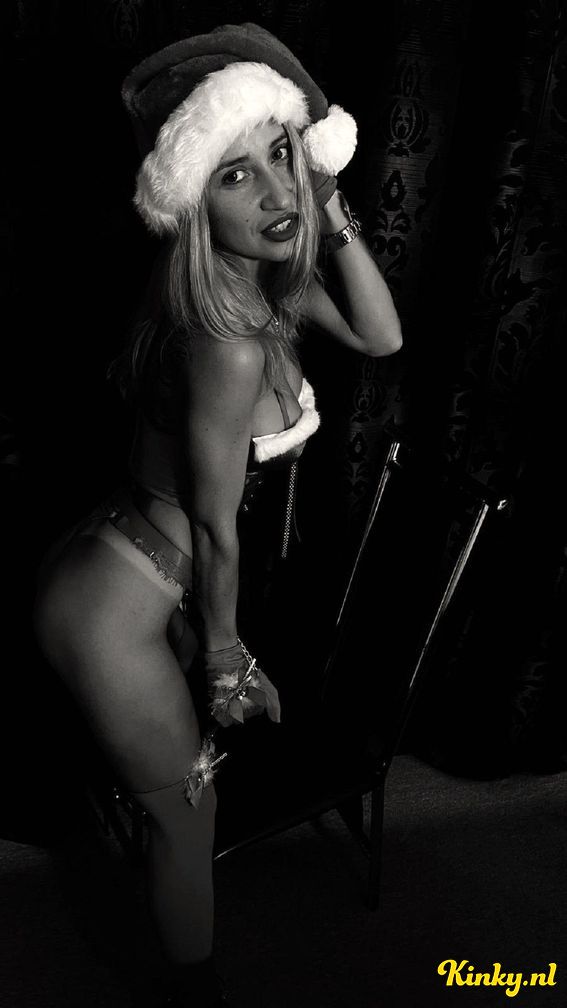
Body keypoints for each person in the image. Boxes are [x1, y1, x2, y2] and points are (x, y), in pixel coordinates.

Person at [33, 21, 402, 1008]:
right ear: (194, 201)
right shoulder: (227, 342)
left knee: (183, 794)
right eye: (236, 175)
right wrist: (225, 657)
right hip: (111, 606)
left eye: (281, 154)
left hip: (127, 560)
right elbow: (214, 528)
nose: (277, 194)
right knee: (186, 817)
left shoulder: (261, 293)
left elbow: (381, 335)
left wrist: (329, 196)